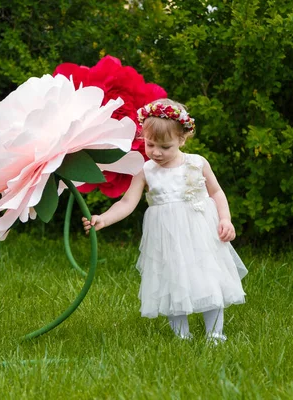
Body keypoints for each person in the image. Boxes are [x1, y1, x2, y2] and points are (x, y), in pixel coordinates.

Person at [82, 99, 247, 343]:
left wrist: (225, 219)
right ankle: (182, 335)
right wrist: (103, 219)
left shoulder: (197, 163)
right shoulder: (146, 171)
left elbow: (217, 192)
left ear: (182, 139)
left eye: (165, 147)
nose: (156, 152)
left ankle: (215, 333)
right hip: (166, 237)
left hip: (200, 233)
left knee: (208, 278)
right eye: (150, 145)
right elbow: (127, 203)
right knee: (172, 280)